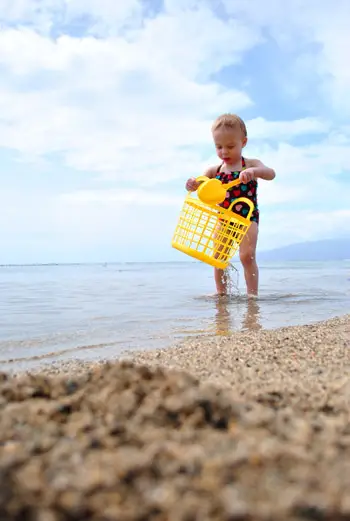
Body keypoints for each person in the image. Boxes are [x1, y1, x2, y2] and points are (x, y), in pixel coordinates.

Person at [185, 113, 276, 297]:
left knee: (247, 256)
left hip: (247, 218)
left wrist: (253, 171)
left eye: (230, 146)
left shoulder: (249, 164)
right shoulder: (215, 170)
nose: (224, 152)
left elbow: (271, 173)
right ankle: (221, 294)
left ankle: (252, 295)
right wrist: (192, 184)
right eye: (219, 147)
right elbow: (200, 184)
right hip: (223, 218)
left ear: (243, 142)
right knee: (218, 258)